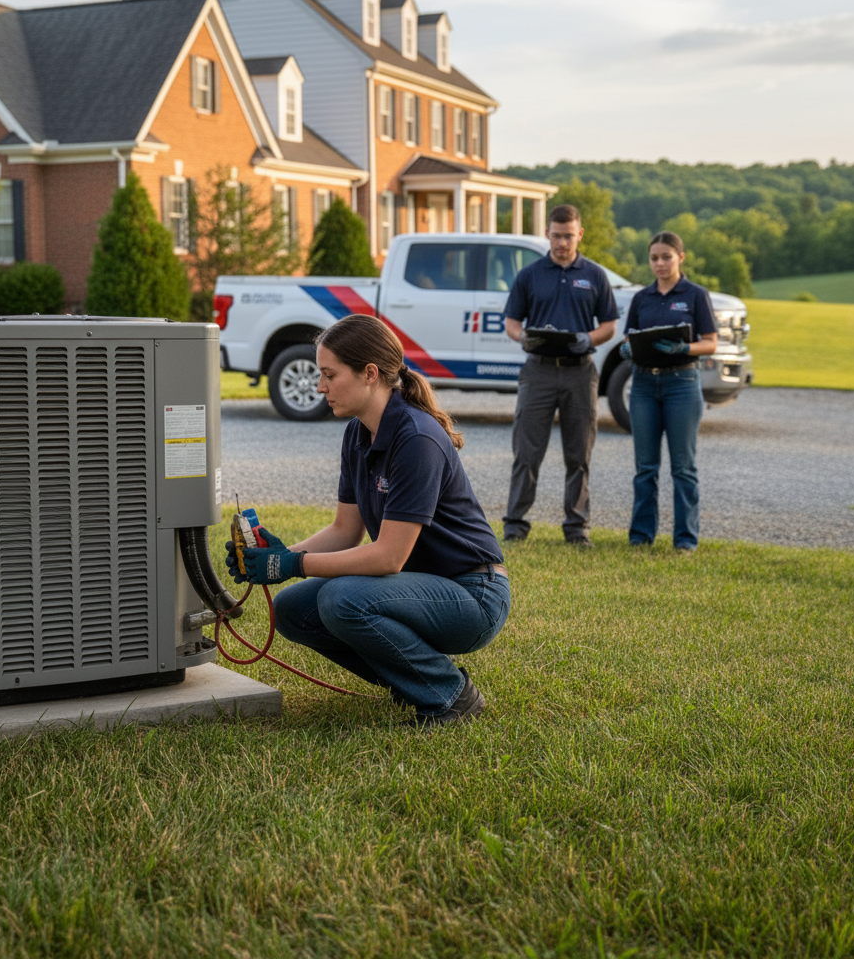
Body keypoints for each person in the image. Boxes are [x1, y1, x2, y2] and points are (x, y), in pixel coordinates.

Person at [225, 313, 510, 727]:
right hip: (421, 588)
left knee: (341, 600)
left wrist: (293, 565)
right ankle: (413, 683)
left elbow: (388, 558)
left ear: (369, 374)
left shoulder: (417, 438)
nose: (320, 386)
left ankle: (449, 695)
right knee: (291, 609)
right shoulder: (359, 433)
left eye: (329, 374)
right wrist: (280, 554)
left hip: (474, 595)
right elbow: (346, 530)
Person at [502, 204, 618, 546]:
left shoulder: (595, 276)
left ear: (580, 234)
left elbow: (609, 325)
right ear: (547, 234)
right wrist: (523, 337)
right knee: (527, 452)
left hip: (580, 373)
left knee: (579, 453)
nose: (562, 242)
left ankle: (577, 528)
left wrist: (589, 338)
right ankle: (515, 526)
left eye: (568, 236)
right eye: (556, 235)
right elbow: (511, 323)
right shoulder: (530, 275)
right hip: (537, 372)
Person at [620, 231, 718, 551]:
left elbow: (711, 342)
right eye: (654, 258)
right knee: (645, 467)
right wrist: (626, 349)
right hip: (644, 384)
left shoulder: (695, 295)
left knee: (683, 468)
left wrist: (684, 348)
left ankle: (685, 540)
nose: (660, 263)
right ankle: (640, 537)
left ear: (680, 257)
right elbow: (628, 338)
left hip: (682, 384)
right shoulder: (641, 298)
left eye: (666, 257)